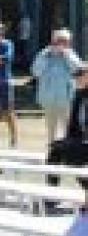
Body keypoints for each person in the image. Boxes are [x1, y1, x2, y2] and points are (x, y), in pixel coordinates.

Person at [32, 28, 82, 143]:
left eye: (65, 41)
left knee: (67, 127)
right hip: (49, 97)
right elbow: (35, 71)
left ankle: (67, 149)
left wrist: (67, 56)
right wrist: (46, 57)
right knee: (51, 127)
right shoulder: (44, 53)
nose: (62, 43)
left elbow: (78, 69)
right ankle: (52, 149)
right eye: (60, 40)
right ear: (54, 41)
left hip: (67, 98)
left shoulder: (71, 54)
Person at [46, 64, 88, 196]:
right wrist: (66, 141)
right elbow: (73, 124)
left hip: (85, 142)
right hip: (80, 141)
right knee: (55, 151)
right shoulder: (79, 94)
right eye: (76, 77)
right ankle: (51, 194)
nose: (77, 80)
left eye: (80, 76)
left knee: (73, 160)